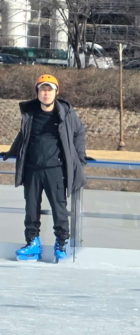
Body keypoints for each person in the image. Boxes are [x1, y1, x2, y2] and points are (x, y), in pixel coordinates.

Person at [4, 74, 88, 262]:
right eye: (43, 89)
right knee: (31, 207)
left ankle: (61, 243)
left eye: (50, 90)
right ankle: (32, 242)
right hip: (32, 169)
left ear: (56, 92)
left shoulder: (66, 113)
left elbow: (79, 133)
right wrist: (11, 152)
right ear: (38, 92)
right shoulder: (30, 112)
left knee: (59, 208)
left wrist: (80, 158)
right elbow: (23, 136)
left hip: (55, 169)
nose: (46, 93)